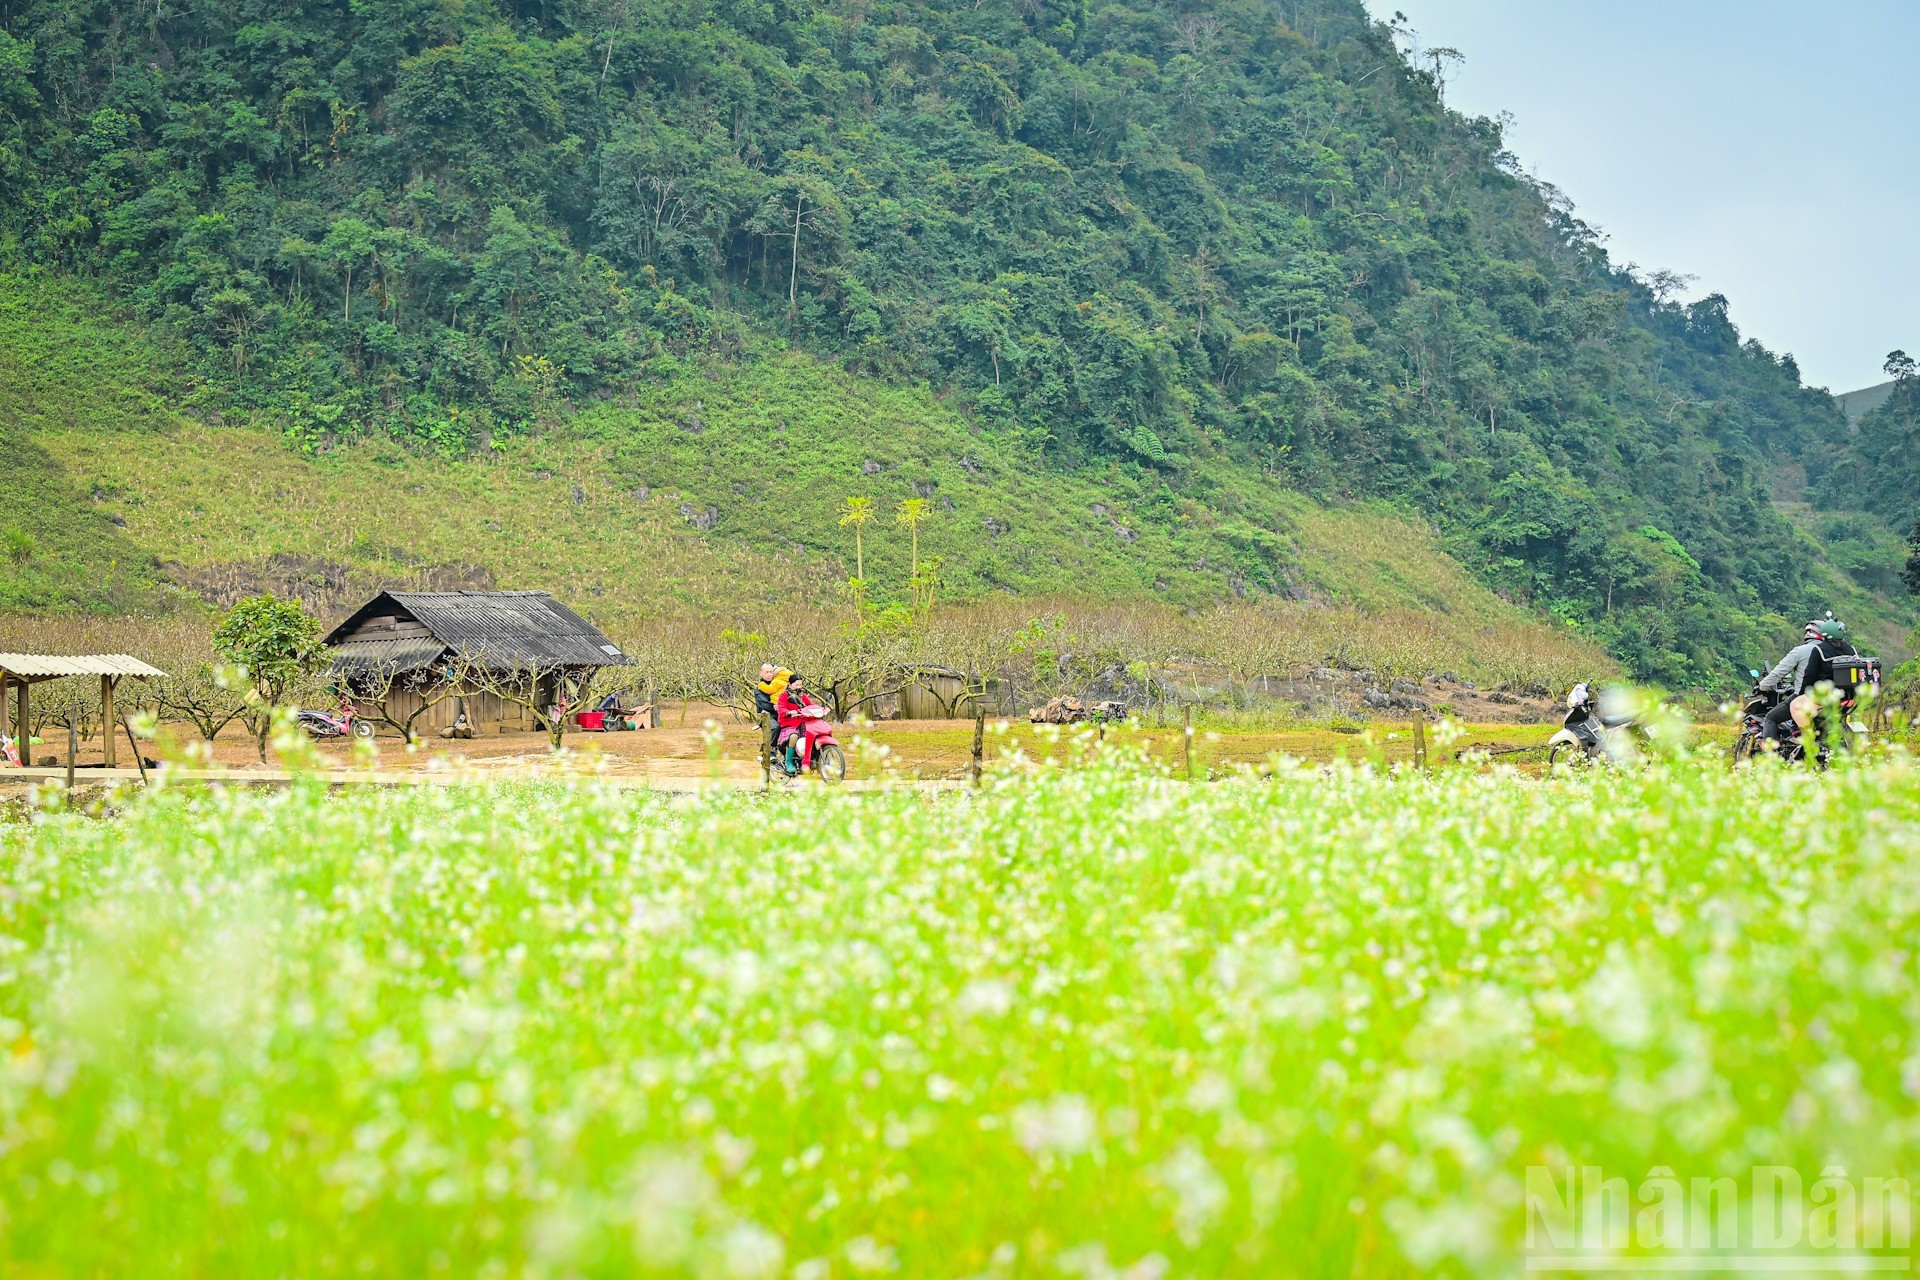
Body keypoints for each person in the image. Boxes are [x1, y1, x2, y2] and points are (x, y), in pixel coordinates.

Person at [1756, 616, 1854, 749]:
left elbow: (1806, 675)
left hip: (1820, 697)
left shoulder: (1816, 650)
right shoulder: (1851, 650)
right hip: (1847, 696)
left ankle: (1772, 752)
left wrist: (1763, 686)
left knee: (1771, 717)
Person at [776, 673, 831, 771]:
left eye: (800, 685)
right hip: (789, 723)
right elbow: (781, 709)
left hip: (803, 722)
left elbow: (810, 705)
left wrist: (820, 709)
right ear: (790, 684)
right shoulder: (784, 696)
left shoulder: (802, 696)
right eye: (796, 685)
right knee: (793, 736)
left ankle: (813, 759)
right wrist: (789, 712)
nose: (798, 687)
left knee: (814, 733)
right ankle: (789, 762)